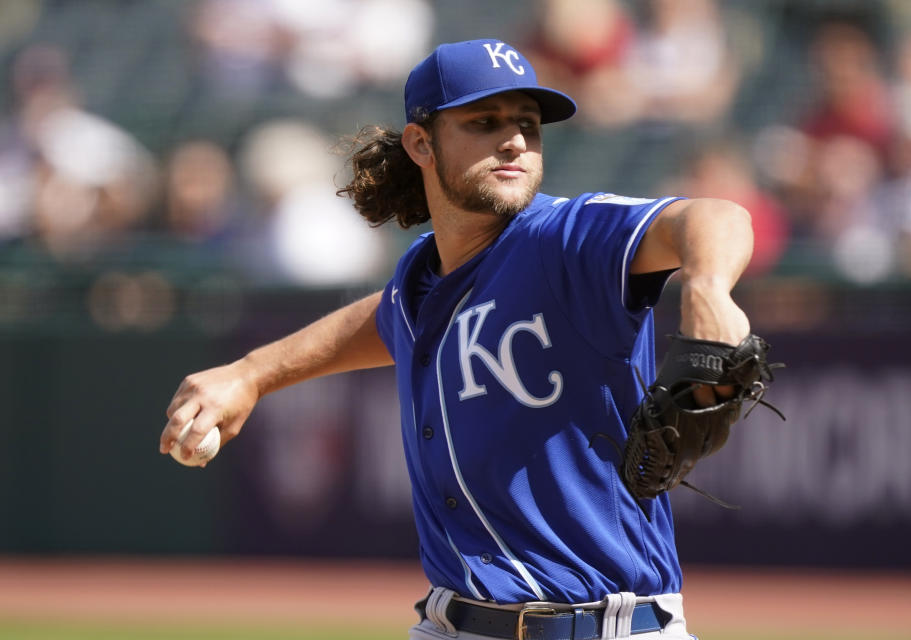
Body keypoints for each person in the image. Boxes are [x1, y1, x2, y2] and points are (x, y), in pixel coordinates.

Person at [159, 39, 754, 639]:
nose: (515, 140)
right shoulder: (421, 280)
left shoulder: (566, 239)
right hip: (450, 622)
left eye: (528, 124)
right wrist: (252, 373)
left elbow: (713, 217)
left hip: (605, 627)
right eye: (484, 122)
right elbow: (378, 319)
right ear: (421, 143)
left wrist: (707, 287)